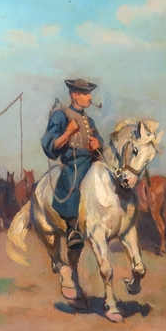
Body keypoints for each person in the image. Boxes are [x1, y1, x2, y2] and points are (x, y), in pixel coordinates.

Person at [41, 79, 103, 249]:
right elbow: (50, 144)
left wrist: (98, 143)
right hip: (74, 162)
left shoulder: (89, 121)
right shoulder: (60, 115)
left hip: (91, 160)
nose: (90, 97)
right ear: (75, 95)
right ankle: (72, 228)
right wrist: (68, 131)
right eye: (86, 94)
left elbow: (97, 138)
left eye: (89, 94)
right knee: (71, 182)